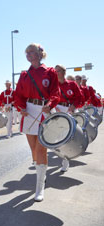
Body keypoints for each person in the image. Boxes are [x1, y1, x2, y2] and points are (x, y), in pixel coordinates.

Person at [14, 43, 60, 202]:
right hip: (28, 111)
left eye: (31, 52)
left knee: (41, 149)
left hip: (44, 111)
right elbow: (18, 94)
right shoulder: (24, 75)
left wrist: (50, 105)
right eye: (26, 53)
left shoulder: (50, 72)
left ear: (40, 54)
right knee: (33, 150)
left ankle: (39, 187)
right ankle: (42, 173)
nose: (28, 55)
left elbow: (55, 92)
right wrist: (20, 107)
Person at [55, 65, 84, 172]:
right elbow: (49, 97)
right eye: (55, 71)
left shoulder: (72, 84)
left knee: (66, 136)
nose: (56, 73)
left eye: (58, 71)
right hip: (57, 110)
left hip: (69, 109)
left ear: (64, 72)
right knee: (58, 135)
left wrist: (73, 106)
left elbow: (79, 97)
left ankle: (65, 160)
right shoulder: (53, 85)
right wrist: (54, 107)